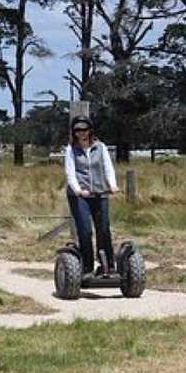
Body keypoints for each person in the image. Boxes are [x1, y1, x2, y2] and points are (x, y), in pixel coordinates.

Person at [65, 115, 119, 276]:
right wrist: (78, 190)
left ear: (90, 130)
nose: (81, 133)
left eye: (84, 129)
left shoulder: (100, 147)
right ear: (74, 132)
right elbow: (70, 173)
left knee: (103, 228)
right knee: (85, 230)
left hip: (100, 193)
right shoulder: (71, 150)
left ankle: (108, 265)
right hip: (80, 196)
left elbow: (108, 168)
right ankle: (87, 267)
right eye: (78, 130)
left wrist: (113, 185)